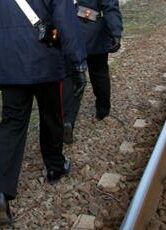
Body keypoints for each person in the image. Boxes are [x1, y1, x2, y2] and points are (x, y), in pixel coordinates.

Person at [0, 0, 87, 225]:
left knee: (12, 123)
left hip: (9, 61)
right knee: (52, 115)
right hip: (45, 58)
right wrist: (78, 62)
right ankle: (55, 167)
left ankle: (1, 191)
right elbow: (66, 20)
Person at [63, 0, 123, 144]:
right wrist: (116, 33)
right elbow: (110, 7)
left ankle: (68, 120)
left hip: (69, 32)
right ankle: (102, 111)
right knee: (99, 72)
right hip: (94, 32)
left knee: (71, 78)